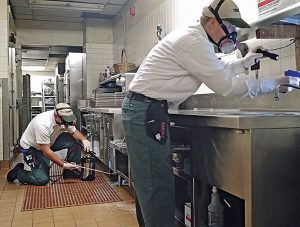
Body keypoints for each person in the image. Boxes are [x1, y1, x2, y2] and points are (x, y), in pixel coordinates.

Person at [121, 0, 299, 226]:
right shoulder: (194, 42)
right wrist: (277, 81)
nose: (233, 34)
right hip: (146, 111)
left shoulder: (196, 39)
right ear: (213, 23)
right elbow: (228, 87)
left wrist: (243, 63)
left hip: (146, 110)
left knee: (151, 186)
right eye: (231, 28)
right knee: (157, 188)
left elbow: (215, 70)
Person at [6, 103, 92, 186]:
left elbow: (74, 132)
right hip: (33, 148)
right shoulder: (42, 124)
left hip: (50, 141)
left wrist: (84, 140)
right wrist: (63, 165)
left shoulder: (65, 118)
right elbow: (46, 151)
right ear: (56, 116)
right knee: (42, 179)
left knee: (74, 142)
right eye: (65, 120)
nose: (67, 123)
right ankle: (18, 172)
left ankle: (70, 172)